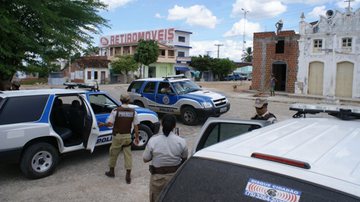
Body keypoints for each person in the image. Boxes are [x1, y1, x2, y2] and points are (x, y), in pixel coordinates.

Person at [143, 114, 188, 202]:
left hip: (157, 178)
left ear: (162, 125)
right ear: (174, 126)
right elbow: (184, 158)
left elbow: (145, 159)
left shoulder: (153, 140)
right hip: (174, 177)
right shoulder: (181, 141)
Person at [98, 93, 139, 184]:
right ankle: (128, 175)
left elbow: (110, 124)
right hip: (127, 136)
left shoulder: (115, 111)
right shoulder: (133, 112)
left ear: (120, 100)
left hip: (117, 136)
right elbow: (136, 126)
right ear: (128, 101)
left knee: (113, 153)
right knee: (128, 155)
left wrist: (102, 124)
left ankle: (111, 172)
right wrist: (136, 137)